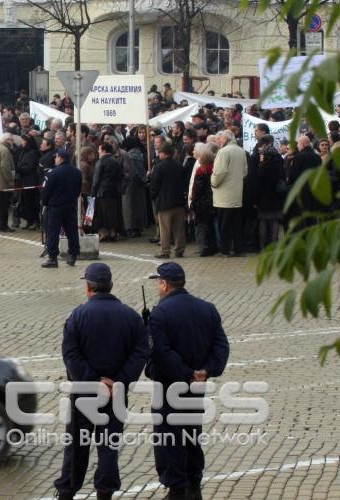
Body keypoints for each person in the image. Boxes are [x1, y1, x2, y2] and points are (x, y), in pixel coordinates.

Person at [54, 263, 149, 500]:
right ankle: (104, 492)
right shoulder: (131, 317)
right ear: (111, 286)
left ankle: (67, 491)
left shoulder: (76, 316)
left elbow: (71, 356)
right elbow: (140, 353)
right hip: (116, 393)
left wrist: (93, 381)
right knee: (109, 446)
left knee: (76, 446)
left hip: (83, 393)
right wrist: (118, 381)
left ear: (88, 288)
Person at [146, 262, 229, 500]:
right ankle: (194, 483)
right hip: (196, 387)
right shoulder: (207, 308)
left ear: (164, 284)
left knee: (168, 437)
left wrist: (186, 374)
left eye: (158, 283)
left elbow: (160, 352)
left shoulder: (160, 313)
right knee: (191, 433)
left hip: (169, 386)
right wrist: (206, 371)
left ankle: (177, 489)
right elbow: (221, 346)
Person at [41, 149, 82, 268]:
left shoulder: (52, 173)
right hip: (70, 205)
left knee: (53, 232)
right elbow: (78, 189)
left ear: (61, 158)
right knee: (72, 231)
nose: (55, 159)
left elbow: (46, 191)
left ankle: (53, 258)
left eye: (56, 157)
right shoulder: (77, 172)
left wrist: (45, 202)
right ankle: (73, 255)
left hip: (55, 206)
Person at [211, 130, 247, 256]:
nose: (218, 142)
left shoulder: (224, 152)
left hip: (224, 195)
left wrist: (213, 182)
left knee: (224, 225)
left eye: (219, 139)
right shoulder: (241, 150)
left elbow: (220, 172)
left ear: (226, 138)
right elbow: (244, 172)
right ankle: (239, 249)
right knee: (236, 224)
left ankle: (224, 250)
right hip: (237, 194)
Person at [150, 143, 187, 259]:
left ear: (163, 153)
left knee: (165, 228)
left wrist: (154, 197)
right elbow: (184, 183)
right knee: (179, 228)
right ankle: (180, 249)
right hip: (178, 202)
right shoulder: (179, 166)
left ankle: (165, 251)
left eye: (160, 152)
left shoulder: (159, 167)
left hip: (164, 203)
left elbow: (154, 186)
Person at [255, 141, 286, 247]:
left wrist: (256, 199)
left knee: (263, 221)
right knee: (274, 221)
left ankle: (263, 245)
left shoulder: (262, 168)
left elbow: (258, 186)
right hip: (276, 198)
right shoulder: (280, 167)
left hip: (263, 199)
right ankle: (274, 244)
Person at [190, 144, 218, 257]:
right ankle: (213, 246)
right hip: (213, 201)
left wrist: (193, 200)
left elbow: (198, 188)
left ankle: (203, 247)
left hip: (202, 203)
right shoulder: (214, 168)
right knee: (211, 225)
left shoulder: (201, 171)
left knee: (201, 226)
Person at [91, 142, 124, 242]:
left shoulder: (101, 162)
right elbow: (120, 176)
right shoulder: (116, 161)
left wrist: (92, 193)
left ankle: (104, 233)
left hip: (102, 192)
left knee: (102, 214)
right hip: (114, 191)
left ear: (103, 151)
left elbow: (96, 180)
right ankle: (113, 232)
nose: (98, 151)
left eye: (99, 149)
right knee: (112, 213)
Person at [0, 133, 16, 232]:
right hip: (3, 183)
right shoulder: (5, 150)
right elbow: (5, 167)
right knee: (3, 206)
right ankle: (3, 226)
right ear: (7, 140)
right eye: (11, 140)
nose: (12, 142)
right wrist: (10, 180)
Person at [17, 135, 41, 230]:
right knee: (25, 202)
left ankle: (35, 221)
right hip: (24, 181)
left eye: (23, 140)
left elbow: (29, 167)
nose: (21, 142)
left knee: (32, 202)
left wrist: (19, 169)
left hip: (31, 181)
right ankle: (28, 220)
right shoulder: (23, 152)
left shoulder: (33, 153)